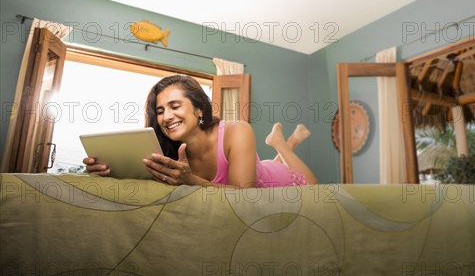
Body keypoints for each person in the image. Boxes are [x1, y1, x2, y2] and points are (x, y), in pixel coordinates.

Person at [84, 75, 318, 188]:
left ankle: (282, 144)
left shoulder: (237, 131)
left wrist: (191, 180)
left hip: (280, 180)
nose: (166, 117)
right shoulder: (166, 152)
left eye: (175, 106)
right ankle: (280, 144)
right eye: (160, 110)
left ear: (198, 109)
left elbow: (245, 196)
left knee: (314, 185)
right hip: (257, 168)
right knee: (258, 165)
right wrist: (105, 170)